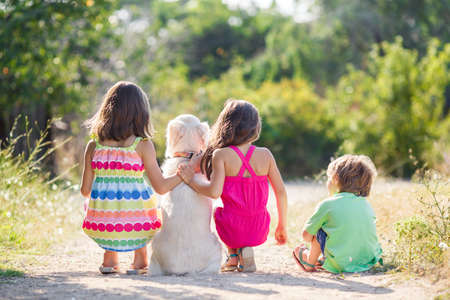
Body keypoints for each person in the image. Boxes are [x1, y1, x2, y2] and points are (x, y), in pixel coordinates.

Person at [80, 81, 182, 274]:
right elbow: (160, 187)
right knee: (137, 205)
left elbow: (85, 191)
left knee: (111, 206)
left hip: (103, 220)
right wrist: (182, 176)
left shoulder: (93, 146)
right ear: (140, 113)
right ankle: (140, 259)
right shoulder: (142, 145)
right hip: (137, 218)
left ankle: (109, 259)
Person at [178, 99, 288, 272]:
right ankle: (244, 252)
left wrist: (190, 180)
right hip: (259, 227)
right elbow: (281, 192)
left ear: (225, 125)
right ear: (256, 127)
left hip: (233, 228)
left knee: (219, 212)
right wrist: (282, 225)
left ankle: (233, 256)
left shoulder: (221, 155)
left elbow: (214, 192)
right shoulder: (266, 155)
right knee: (243, 213)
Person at [292, 154, 382, 273]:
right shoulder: (366, 204)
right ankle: (337, 258)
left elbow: (306, 236)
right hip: (367, 261)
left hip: (340, 264)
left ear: (336, 179)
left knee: (320, 228)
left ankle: (309, 261)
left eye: (329, 177)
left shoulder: (328, 205)